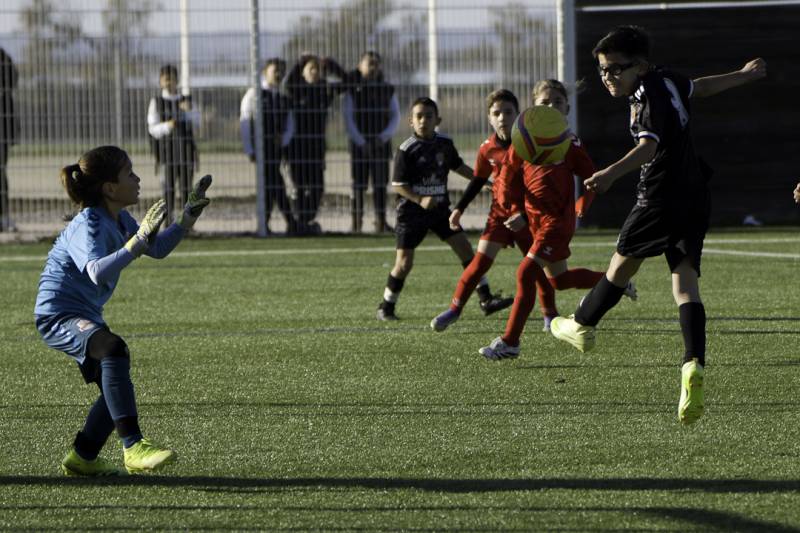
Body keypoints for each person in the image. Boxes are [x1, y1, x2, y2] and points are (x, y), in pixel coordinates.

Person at [548, 25, 767, 425]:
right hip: (695, 192)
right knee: (685, 283)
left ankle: (582, 325)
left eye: (617, 68)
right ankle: (693, 364)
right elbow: (698, 87)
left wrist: (611, 173)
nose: (608, 77)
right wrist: (745, 75)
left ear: (640, 65)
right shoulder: (667, 78)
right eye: (602, 70)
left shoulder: (645, 93)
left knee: (620, 266)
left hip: (660, 195)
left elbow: (649, 146)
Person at [34, 145, 212, 475]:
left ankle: (82, 457)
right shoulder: (88, 223)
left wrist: (187, 216)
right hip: (58, 315)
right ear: (110, 188)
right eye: (129, 173)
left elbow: (156, 249)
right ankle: (133, 448)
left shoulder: (119, 218)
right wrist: (135, 243)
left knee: (114, 384)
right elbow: (96, 271)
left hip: (84, 314)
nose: (138, 178)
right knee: (114, 349)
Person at [476, 83, 635, 360]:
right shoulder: (522, 139)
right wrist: (514, 210)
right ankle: (617, 282)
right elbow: (507, 178)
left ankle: (510, 341)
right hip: (535, 222)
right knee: (559, 280)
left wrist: (584, 202)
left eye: (558, 103)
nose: (552, 108)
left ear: (567, 109)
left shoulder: (568, 143)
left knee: (525, 273)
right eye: (545, 103)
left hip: (557, 222)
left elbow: (591, 177)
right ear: (535, 109)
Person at [376, 97, 510, 321]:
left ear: (437, 119)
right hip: (411, 213)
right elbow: (398, 185)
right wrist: (419, 199)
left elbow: (459, 167)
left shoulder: (445, 144)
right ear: (411, 121)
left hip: (440, 210)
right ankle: (386, 306)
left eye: (428, 116)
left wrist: (484, 182)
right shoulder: (406, 149)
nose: (423, 121)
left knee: (466, 250)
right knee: (404, 263)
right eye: (419, 116)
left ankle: (486, 299)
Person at [428, 89, 526, 332]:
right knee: (478, 263)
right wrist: (459, 208)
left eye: (508, 112)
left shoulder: (530, 145)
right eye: (496, 113)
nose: (502, 117)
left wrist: (526, 213)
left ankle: (549, 316)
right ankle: (454, 309)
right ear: (489, 118)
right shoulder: (487, 148)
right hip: (499, 215)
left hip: (527, 216)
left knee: (541, 269)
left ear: (518, 115)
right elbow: (478, 180)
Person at [285, 54, 346, 234]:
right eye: (310, 68)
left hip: (317, 147)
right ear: (303, 72)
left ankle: (305, 220)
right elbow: (288, 82)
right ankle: (299, 222)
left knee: (317, 186)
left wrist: (333, 65)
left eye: (318, 69)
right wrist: (299, 61)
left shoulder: (325, 89)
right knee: (299, 186)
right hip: (296, 147)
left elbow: (348, 83)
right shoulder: (296, 90)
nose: (314, 72)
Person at [341, 51, 401, 233]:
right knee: (358, 184)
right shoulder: (353, 89)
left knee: (380, 184)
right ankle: (356, 222)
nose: (373, 67)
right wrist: (361, 141)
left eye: (376, 64)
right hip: (359, 146)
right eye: (369, 63)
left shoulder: (387, 89)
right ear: (360, 66)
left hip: (380, 145)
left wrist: (382, 138)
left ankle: (381, 221)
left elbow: (395, 116)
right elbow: (348, 117)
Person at [240, 58, 298, 235]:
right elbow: (245, 122)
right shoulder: (254, 94)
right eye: (275, 70)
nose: (279, 74)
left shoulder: (282, 98)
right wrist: (250, 149)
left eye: (282, 71)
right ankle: (286, 221)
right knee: (274, 184)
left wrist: (284, 139)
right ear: (265, 72)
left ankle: (267, 224)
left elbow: (290, 123)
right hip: (261, 149)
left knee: (273, 184)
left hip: (276, 149)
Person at [147, 64, 199, 224]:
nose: (170, 83)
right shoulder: (157, 101)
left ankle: (186, 225)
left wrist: (187, 112)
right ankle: (168, 224)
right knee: (168, 190)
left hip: (186, 151)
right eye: (166, 79)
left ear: (177, 80)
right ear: (161, 82)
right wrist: (168, 125)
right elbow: (153, 128)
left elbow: (198, 123)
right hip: (167, 153)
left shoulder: (186, 100)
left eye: (173, 79)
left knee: (186, 189)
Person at [0, 47, 18, 232]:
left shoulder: (3, 56)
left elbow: (12, 80)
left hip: (2, 128)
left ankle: (3, 216)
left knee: (0, 171)